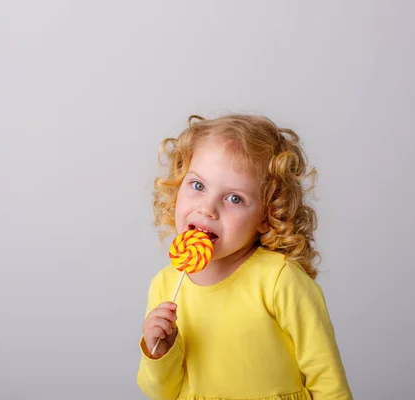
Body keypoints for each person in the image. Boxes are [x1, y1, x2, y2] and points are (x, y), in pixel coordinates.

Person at [137, 114, 352, 400]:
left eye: (234, 198)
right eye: (198, 186)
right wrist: (159, 351)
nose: (208, 208)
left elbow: (327, 378)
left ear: (266, 216)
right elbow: (162, 392)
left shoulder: (279, 280)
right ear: (178, 185)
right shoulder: (165, 286)